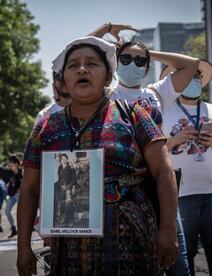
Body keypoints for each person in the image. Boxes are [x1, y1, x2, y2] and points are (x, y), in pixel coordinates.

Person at [17, 36, 178, 275]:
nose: (82, 69)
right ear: (63, 81)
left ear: (108, 77)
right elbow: (29, 189)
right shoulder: (46, 127)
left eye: (92, 64)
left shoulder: (133, 115)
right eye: (73, 65)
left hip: (133, 243)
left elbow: (163, 171)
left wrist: (168, 230)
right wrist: (23, 248)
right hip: (68, 252)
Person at [91, 22, 199, 276]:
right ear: (115, 63)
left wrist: (149, 52)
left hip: (159, 184)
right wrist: (106, 31)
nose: (133, 64)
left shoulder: (156, 93)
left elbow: (191, 64)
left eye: (140, 61)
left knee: (177, 261)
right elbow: (77, 52)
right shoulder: (106, 94)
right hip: (122, 190)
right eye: (126, 59)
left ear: (148, 68)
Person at [160, 61, 212, 276]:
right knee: (184, 253)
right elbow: (150, 153)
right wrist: (174, 140)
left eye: (197, 76)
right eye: (188, 76)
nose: (192, 80)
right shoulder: (163, 111)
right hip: (179, 196)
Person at [53, 153, 76, 228]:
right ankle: (64, 221)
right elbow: (59, 178)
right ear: (60, 160)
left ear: (67, 159)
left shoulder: (70, 168)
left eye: (65, 158)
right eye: (62, 158)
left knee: (69, 205)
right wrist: (59, 185)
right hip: (61, 188)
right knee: (61, 205)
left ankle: (71, 221)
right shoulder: (59, 167)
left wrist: (72, 188)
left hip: (68, 188)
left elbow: (74, 179)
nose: (63, 160)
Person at [5, 154, 22, 238]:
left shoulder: (22, 172)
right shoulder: (11, 173)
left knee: (21, 213)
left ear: (16, 164)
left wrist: (20, 189)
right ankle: (13, 229)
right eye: (9, 165)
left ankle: (24, 228)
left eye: (11, 165)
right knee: (7, 212)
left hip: (19, 195)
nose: (10, 167)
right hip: (12, 195)